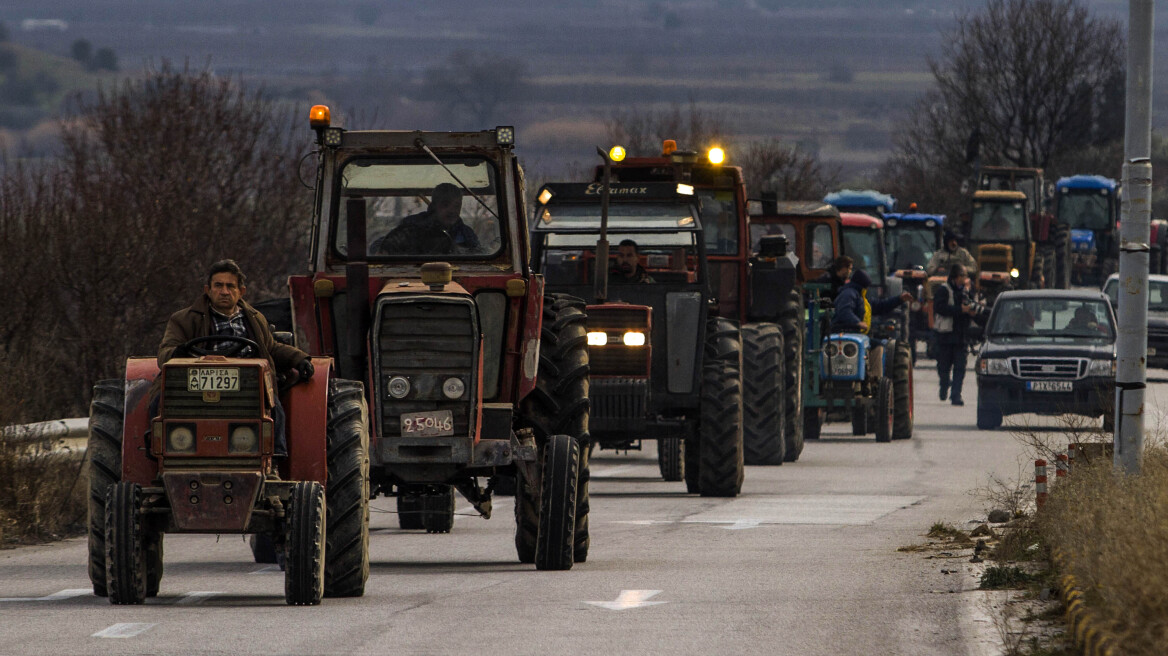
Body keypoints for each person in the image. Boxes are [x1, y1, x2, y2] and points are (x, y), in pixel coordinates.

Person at [156, 259, 314, 458]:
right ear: (208, 289)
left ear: (241, 291)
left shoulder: (256, 319)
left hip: (248, 385)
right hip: (196, 387)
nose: (224, 291)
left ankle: (274, 457)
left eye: (230, 286)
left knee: (273, 406)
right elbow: (165, 353)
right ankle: (159, 453)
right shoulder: (184, 319)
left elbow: (271, 347)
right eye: (218, 285)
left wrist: (299, 359)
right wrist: (177, 353)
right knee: (157, 405)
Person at [831, 268, 914, 380]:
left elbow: (881, 306)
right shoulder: (849, 294)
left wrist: (899, 299)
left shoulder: (861, 297)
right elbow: (844, 311)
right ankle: (876, 380)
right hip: (847, 334)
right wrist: (858, 323)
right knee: (878, 346)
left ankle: (869, 376)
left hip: (856, 334)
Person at [376, 182, 481, 254]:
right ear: (434, 205)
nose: (452, 211)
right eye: (445, 204)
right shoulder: (412, 226)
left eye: (457, 206)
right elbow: (381, 247)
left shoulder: (465, 233)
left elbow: (479, 256)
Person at [933, 264, 980, 406]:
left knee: (960, 368)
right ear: (956, 277)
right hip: (946, 336)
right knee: (943, 367)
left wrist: (971, 310)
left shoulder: (967, 292)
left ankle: (956, 395)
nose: (965, 279)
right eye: (963, 276)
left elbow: (973, 306)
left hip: (961, 336)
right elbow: (940, 308)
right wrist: (960, 310)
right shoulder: (944, 290)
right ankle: (944, 385)